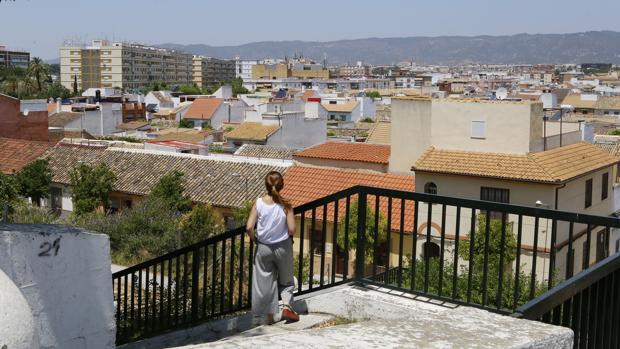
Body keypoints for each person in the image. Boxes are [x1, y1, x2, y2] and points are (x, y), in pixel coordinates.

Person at [246, 171, 300, 324]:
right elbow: (291, 229)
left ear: (266, 185)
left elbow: (249, 226)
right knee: (287, 280)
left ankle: (268, 317)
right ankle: (287, 307)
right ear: (282, 185)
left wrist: (255, 240)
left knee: (264, 282)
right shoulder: (286, 206)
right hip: (283, 246)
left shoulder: (259, 203)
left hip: (263, 247)